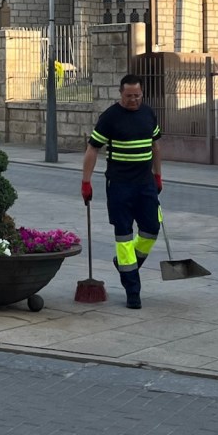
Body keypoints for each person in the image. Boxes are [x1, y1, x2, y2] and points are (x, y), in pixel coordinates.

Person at [81, 73, 162, 309]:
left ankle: (126, 265)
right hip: (119, 186)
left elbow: (155, 146)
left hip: (145, 184)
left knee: (151, 229)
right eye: (129, 96)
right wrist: (86, 182)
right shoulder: (110, 117)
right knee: (124, 237)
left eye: (137, 95)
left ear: (142, 93)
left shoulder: (148, 114)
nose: (133, 100)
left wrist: (158, 175)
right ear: (120, 93)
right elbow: (92, 149)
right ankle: (132, 290)